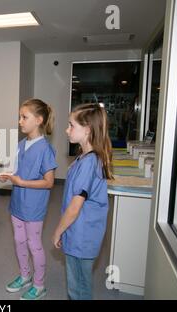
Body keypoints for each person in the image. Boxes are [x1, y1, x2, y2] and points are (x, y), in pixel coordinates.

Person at [52, 103, 113, 300]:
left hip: (81, 235)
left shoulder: (89, 163)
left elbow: (74, 207)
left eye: (71, 125)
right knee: (80, 283)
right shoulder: (85, 158)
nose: (66, 129)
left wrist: (58, 230)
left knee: (78, 288)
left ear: (87, 130)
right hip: (80, 233)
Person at [0, 98, 57, 300]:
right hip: (17, 202)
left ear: (39, 120)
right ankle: (25, 276)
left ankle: (39, 284)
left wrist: (21, 182)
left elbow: (49, 182)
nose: (20, 121)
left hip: (33, 206)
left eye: (24, 117)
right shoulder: (21, 144)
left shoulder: (45, 149)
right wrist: (8, 174)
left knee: (34, 244)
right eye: (19, 117)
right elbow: (18, 170)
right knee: (19, 240)